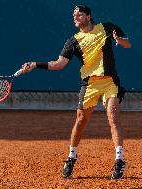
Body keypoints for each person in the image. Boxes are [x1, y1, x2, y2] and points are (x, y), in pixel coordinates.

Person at [21, 5, 131, 180]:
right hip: (89, 84)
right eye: (74, 15)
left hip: (110, 81)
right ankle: (72, 156)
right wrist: (35, 65)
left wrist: (120, 41)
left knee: (113, 116)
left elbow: (128, 44)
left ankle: (119, 160)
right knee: (80, 120)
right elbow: (59, 64)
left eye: (79, 14)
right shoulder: (73, 41)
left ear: (88, 16)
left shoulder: (108, 28)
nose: (76, 17)